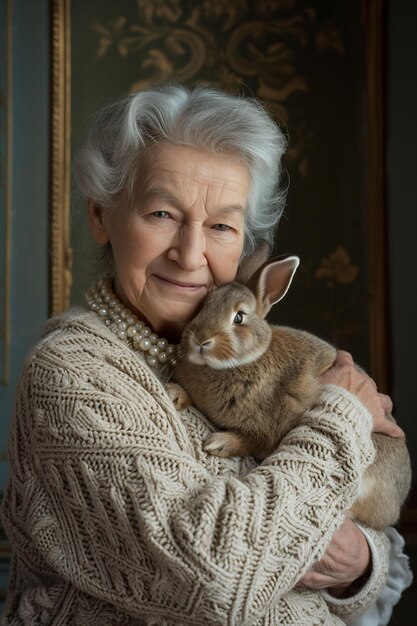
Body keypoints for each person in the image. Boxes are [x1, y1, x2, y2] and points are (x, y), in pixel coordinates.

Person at [1, 83, 412, 625]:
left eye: (221, 225)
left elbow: (370, 552)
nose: (191, 253)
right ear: (101, 216)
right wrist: (341, 416)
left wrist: (359, 561)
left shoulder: (256, 362)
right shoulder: (75, 375)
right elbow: (217, 576)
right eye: (162, 214)